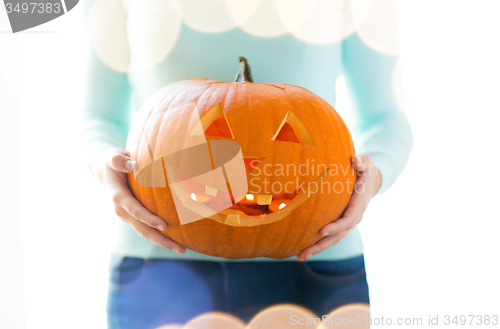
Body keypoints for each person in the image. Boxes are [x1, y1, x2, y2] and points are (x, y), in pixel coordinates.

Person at [81, 0, 413, 328]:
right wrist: (105, 167)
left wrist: (372, 177)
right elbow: (98, 115)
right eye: (215, 131)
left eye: (287, 134)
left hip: (313, 259)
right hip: (159, 266)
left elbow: (385, 118)